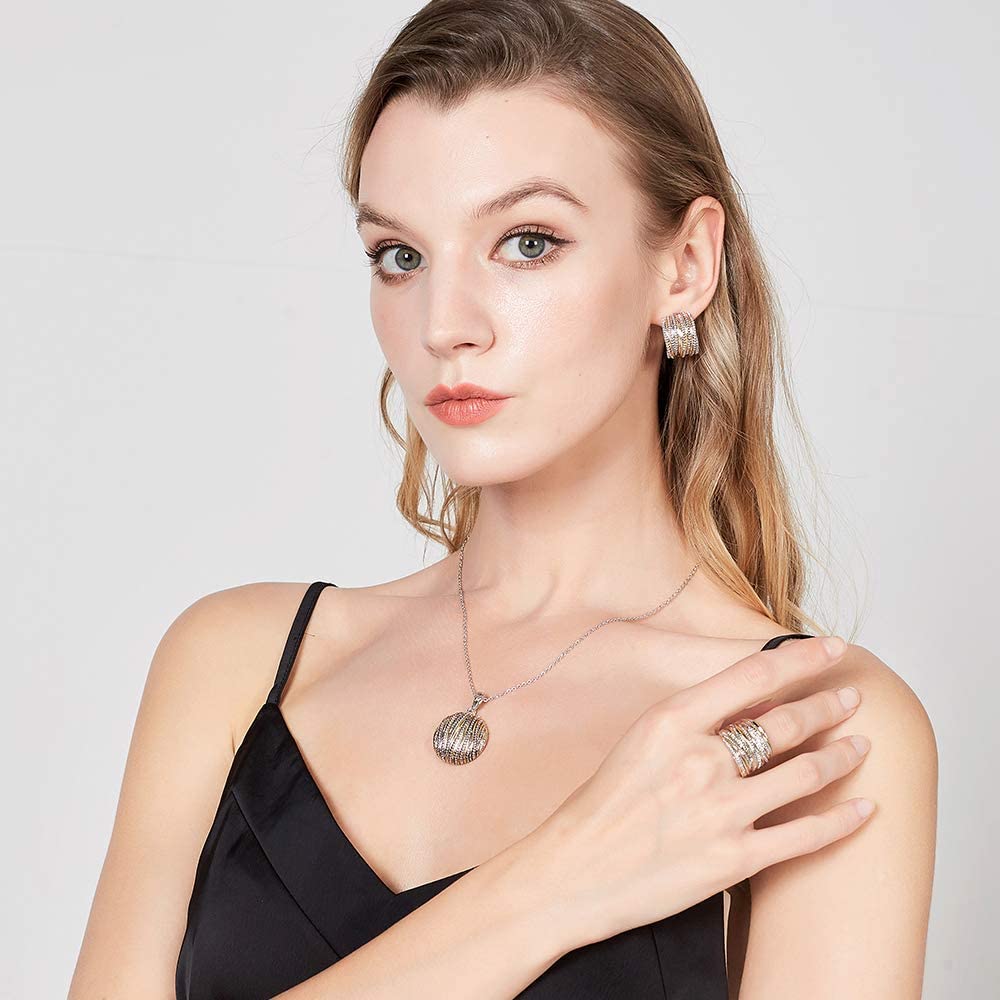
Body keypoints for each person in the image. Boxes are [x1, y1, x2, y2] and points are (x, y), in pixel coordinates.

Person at [69, 1, 938, 997]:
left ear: (685, 265)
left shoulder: (810, 729)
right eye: (400, 255)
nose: (444, 324)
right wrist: (554, 884)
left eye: (527, 242)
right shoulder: (237, 663)